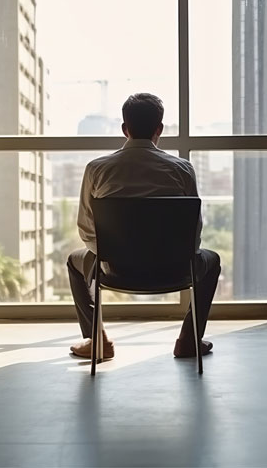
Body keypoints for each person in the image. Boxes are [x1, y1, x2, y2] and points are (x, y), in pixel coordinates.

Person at [67, 93, 221, 360]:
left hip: (116, 269)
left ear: (124, 128)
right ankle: (188, 340)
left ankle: (97, 340)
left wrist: (109, 255)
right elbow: (193, 233)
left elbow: (86, 229)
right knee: (213, 260)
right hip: (173, 270)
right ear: (159, 129)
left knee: (74, 261)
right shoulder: (182, 169)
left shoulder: (97, 169)